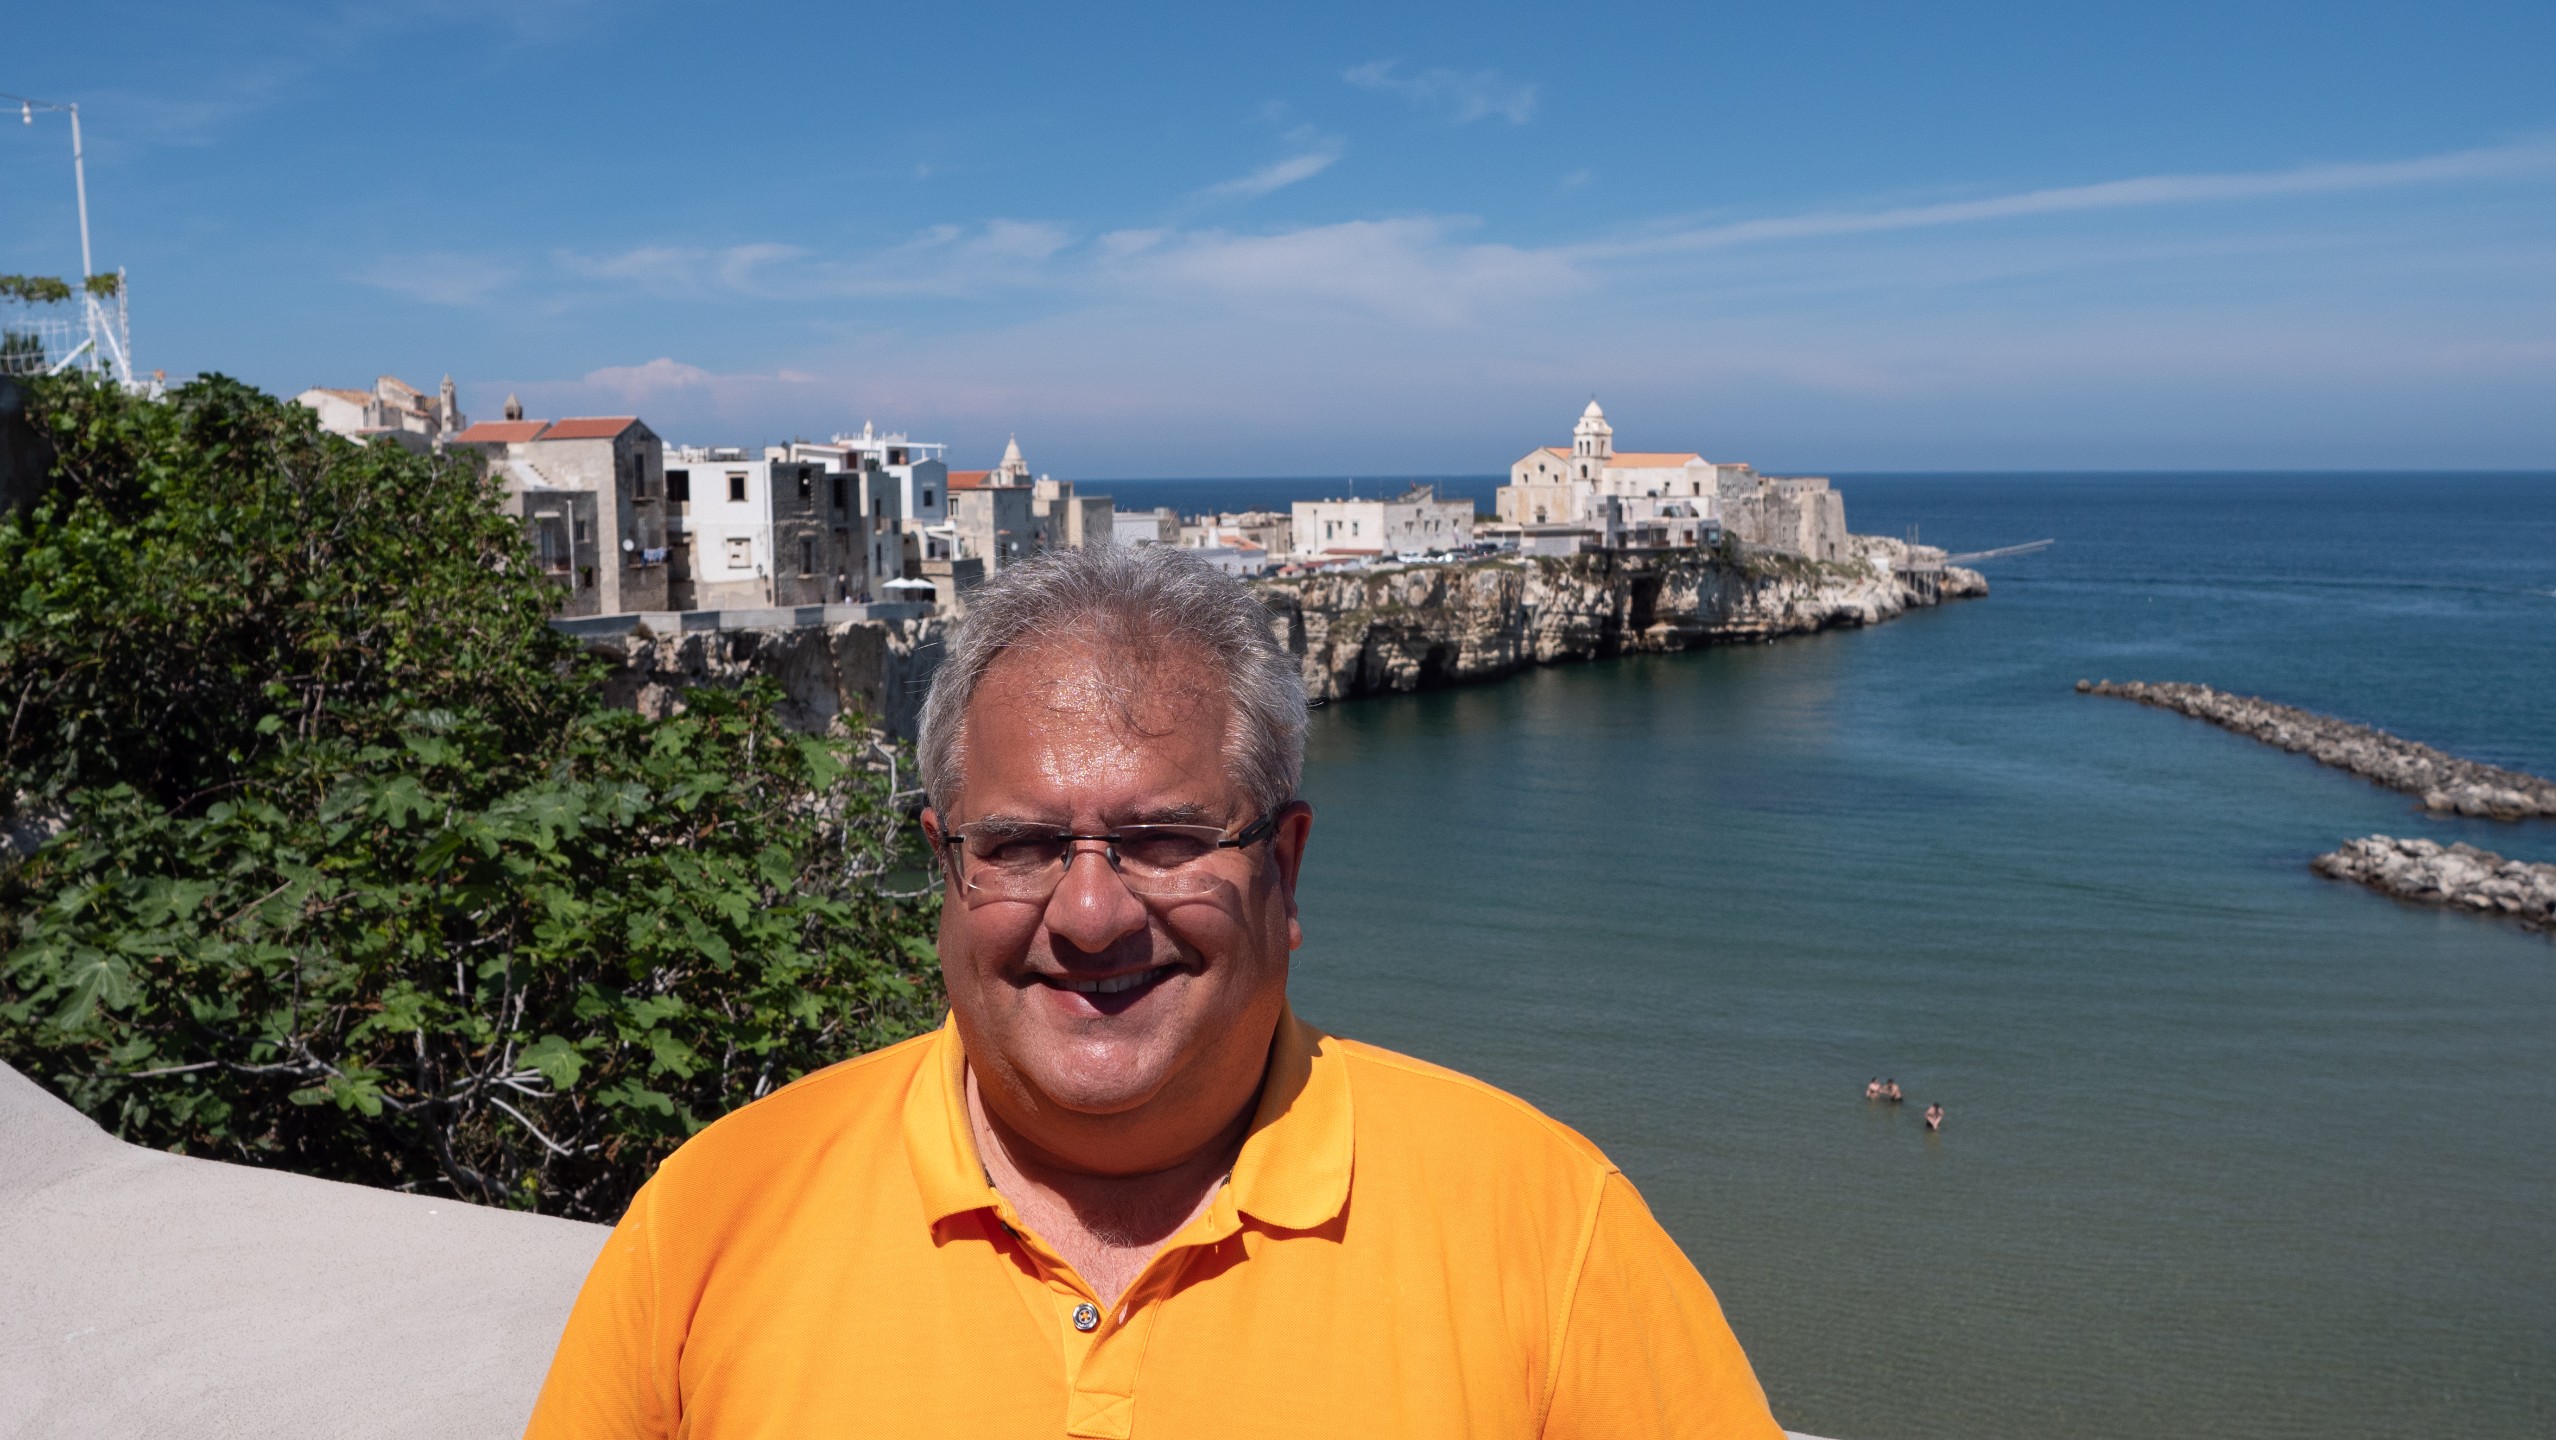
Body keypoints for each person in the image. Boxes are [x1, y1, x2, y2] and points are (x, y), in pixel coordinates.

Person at [525, 546, 1782, 1438]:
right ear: (943, 870)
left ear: (1283, 871)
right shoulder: (712, 1221)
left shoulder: (1546, 1230)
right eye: (1020, 844)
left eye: (1166, 839)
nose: (1090, 913)